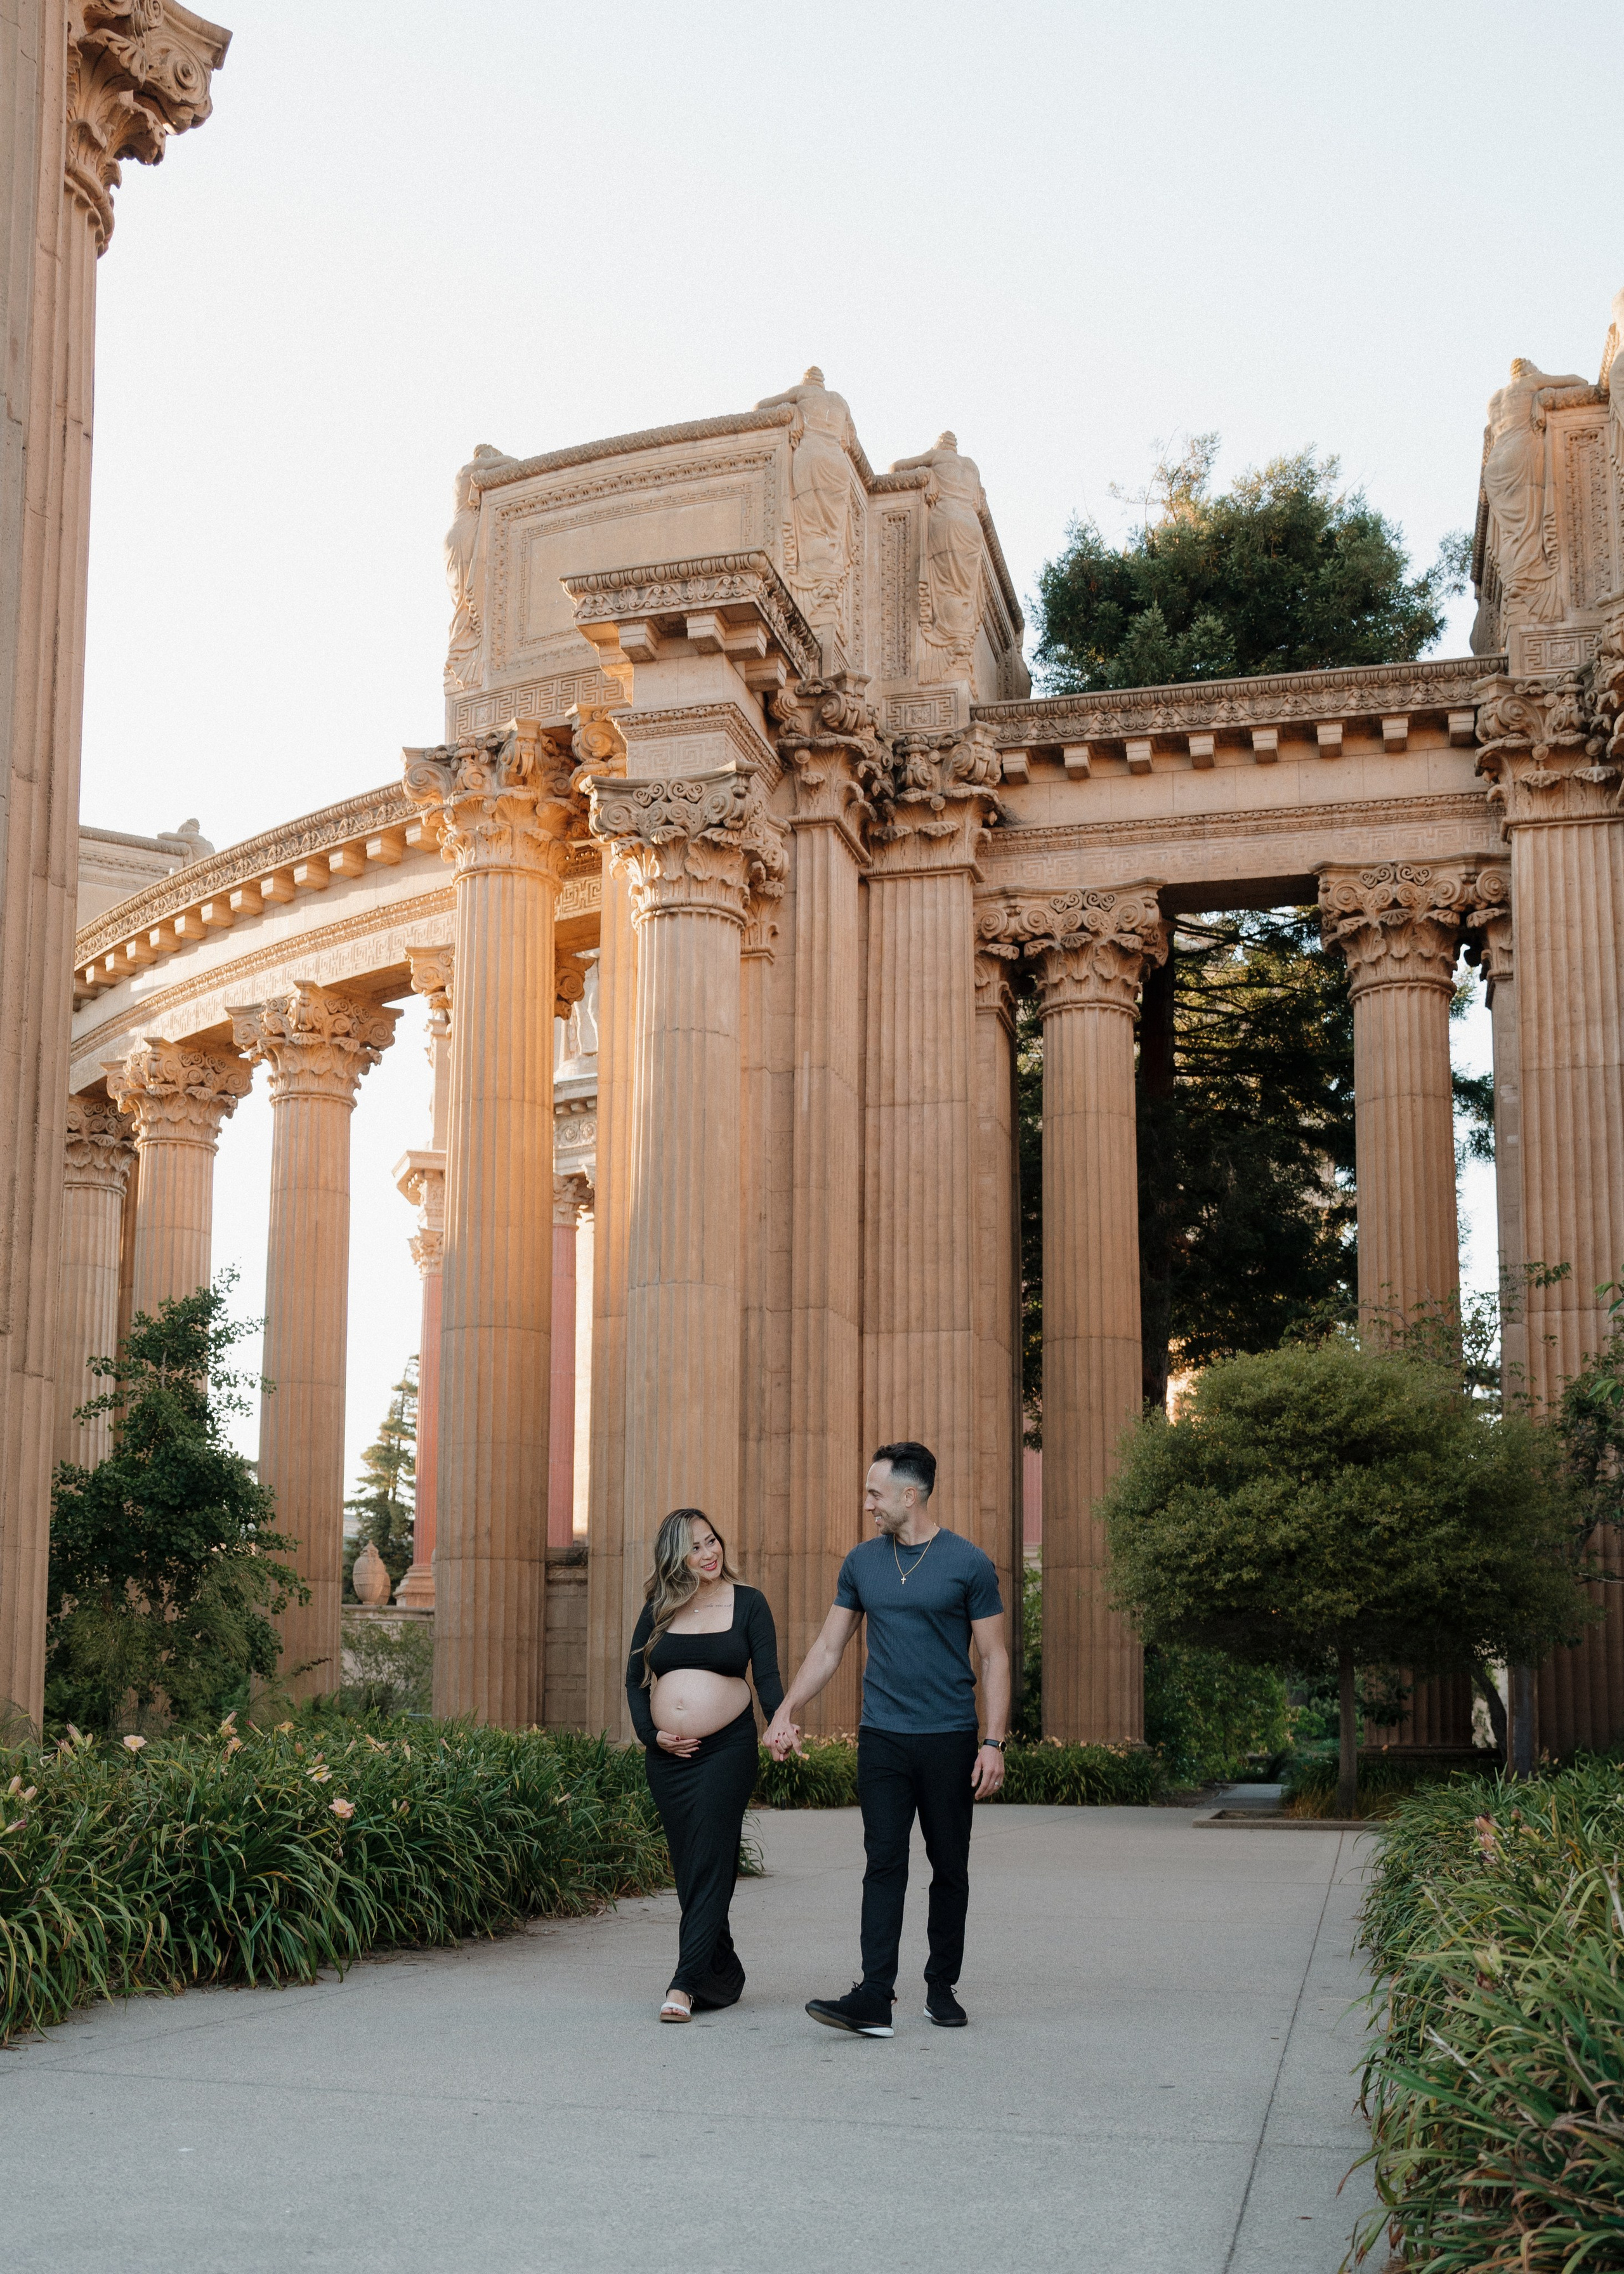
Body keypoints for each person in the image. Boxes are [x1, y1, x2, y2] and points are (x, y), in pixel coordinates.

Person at [763, 1442, 1010, 2037]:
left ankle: (940, 1986)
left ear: (910, 1494)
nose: (866, 1503)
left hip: (950, 1737)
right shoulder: (862, 1563)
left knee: (949, 1865)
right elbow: (829, 1648)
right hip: (883, 1739)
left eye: (875, 1492)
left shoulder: (968, 1563)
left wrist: (994, 1743)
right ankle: (875, 1996)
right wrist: (786, 1709)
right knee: (883, 1864)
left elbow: (995, 1655)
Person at [625, 1508, 783, 2023]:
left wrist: (780, 1724)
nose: (709, 1553)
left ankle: (685, 1983)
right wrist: (652, 1736)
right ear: (676, 1558)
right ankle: (724, 1972)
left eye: (712, 1540)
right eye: (695, 1547)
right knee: (692, 1867)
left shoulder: (749, 1604)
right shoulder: (659, 1610)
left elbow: (768, 1679)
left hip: (726, 1752)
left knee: (713, 1859)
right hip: (669, 1761)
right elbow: (633, 1681)